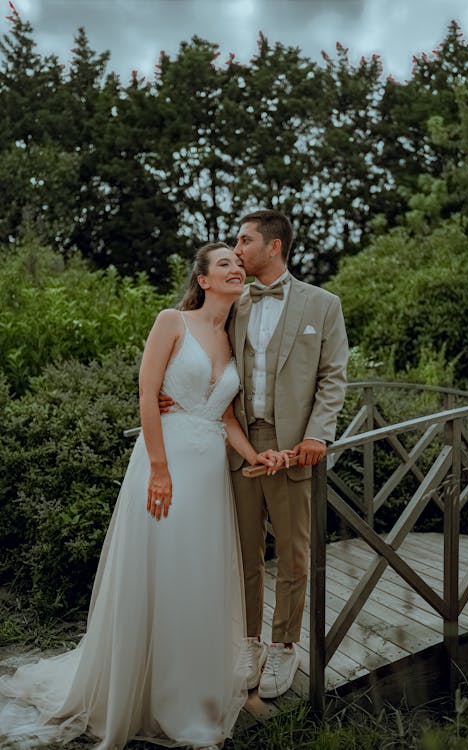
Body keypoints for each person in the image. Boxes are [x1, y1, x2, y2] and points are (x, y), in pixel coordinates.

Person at [0, 242, 292, 750]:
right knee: (159, 567)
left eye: (238, 262)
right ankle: (140, 689)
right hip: (167, 463)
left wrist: (253, 456)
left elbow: (223, 417)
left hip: (207, 474)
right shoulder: (172, 321)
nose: (235, 267)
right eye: (224, 263)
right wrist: (158, 469)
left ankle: (190, 688)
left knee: (195, 575)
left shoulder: (229, 335)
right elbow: (146, 392)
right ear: (203, 279)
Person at [229, 210, 349, 699]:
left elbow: (333, 375)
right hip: (237, 443)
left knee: (294, 554)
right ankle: (249, 640)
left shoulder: (323, 304)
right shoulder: (231, 303)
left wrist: (318, 435)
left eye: (244, 241)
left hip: (294, 446)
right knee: (244, 551)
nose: (236, 250)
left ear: (273, 247)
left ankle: (284, 644)